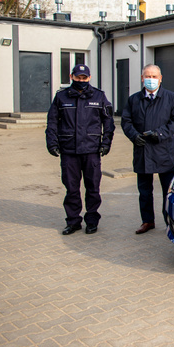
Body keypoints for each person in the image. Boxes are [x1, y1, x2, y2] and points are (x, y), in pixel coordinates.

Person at [46, 64, 115, 235]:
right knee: (71, 188)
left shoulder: (99, 96)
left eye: (84, 78)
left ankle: (91, 220)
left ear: (89, 78)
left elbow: (108, 122)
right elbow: (52, 122)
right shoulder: (61, 97)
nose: (81, 80)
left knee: (93, 188)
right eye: (78, 77)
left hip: (91, 151)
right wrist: (52, 143)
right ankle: (73, 221)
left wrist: (106, 143)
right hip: (69, 151)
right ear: (72, 77)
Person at [122, 64, 174, 234]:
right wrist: (134, 136)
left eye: (154, 77)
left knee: (168, 191)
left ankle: (169, 221)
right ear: (142, 78)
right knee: (144, 191)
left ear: (160, 79)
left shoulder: (171, 98)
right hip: (142, 151)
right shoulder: (134, 99)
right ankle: (147, 221)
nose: (151, 80)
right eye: (147, 76)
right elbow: (126, 121)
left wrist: (160, 134)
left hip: (163, 151)